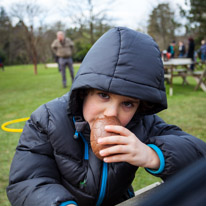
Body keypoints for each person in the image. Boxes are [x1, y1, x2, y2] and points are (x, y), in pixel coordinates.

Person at [7, 27, 206, 206]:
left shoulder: (141, 124)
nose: (112, 112)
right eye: (104, 95)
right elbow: (26, 182)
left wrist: (152, 155)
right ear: (85, 91)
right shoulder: (46, 120)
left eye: (127, 103)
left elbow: (199, 156)